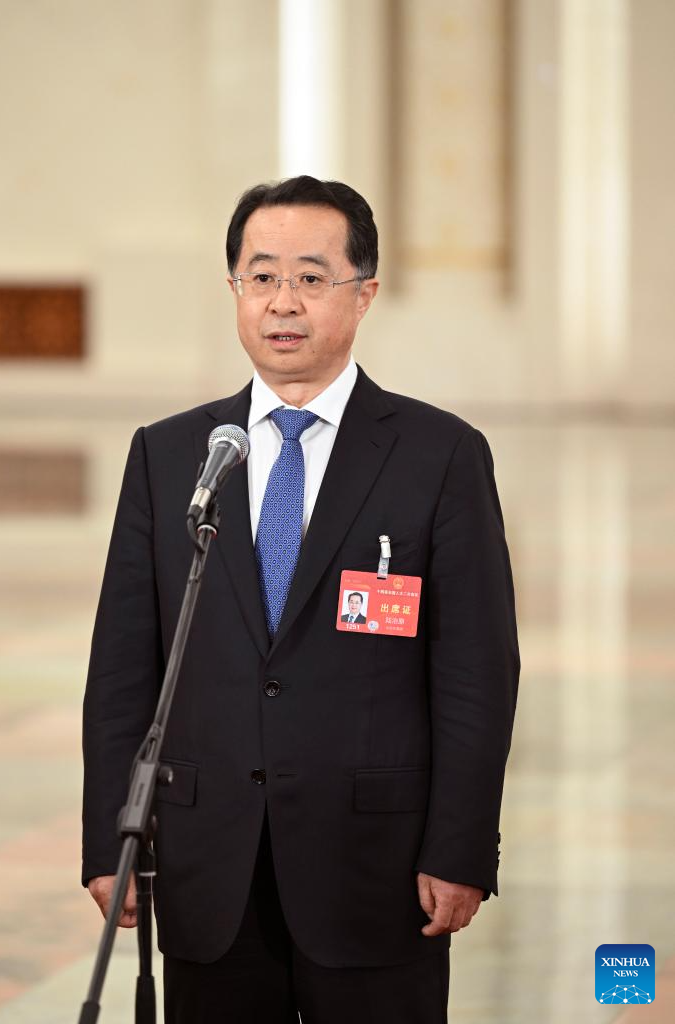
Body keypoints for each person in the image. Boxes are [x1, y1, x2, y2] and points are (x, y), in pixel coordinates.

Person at [82, 175, 520, 1024]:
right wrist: (111, 839)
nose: (283, 302)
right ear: (235, 289)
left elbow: (477, 675)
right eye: (262, 276)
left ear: (364, 294)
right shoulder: (171, 456)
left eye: (311, 278)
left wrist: (462, 845)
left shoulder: (439, 455)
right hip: (209, 868)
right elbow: (123, 671)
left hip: (377, 870)